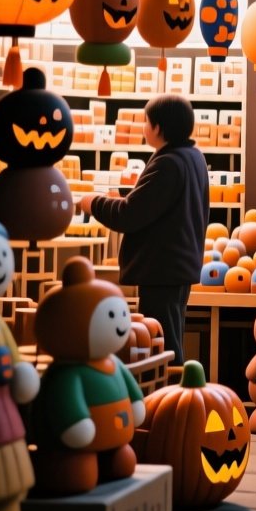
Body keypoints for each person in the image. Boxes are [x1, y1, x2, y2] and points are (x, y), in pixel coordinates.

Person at [77, 95, 208, 366]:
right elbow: (155, 203)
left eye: (146, 121)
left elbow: (129, 215)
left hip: (162, 267)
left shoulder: (168, 162)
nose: (144, 127)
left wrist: (93, 202)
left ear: (159, 127)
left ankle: (168, 405)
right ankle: (172, 400)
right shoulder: (191, 156)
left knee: (162, 345)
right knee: (169, 338)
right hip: (177, 265)